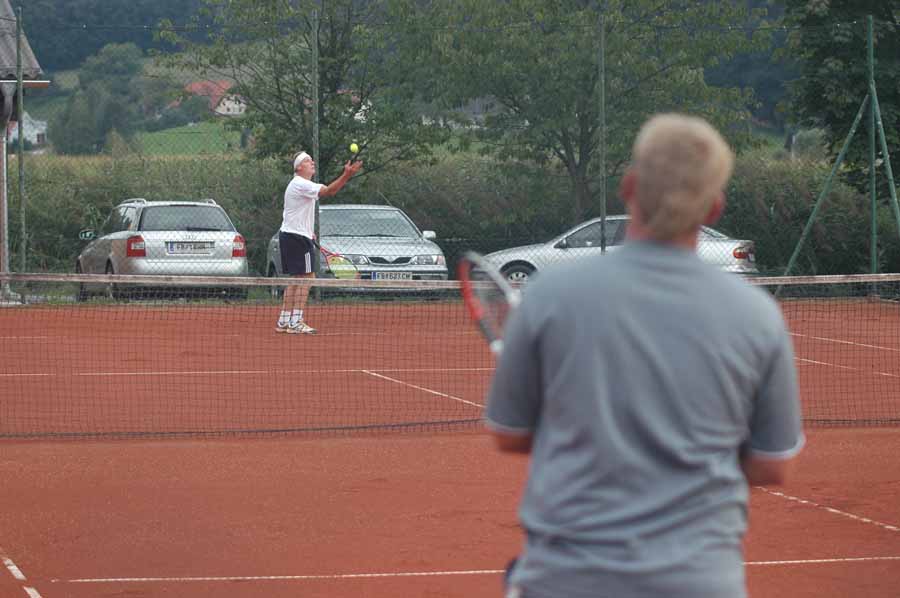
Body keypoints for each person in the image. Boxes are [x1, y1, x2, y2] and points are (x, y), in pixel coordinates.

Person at [485, 114, 804, 598]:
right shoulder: (757, 314)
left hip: (568, 579)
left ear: (629, 187)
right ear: (714, 208)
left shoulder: (550, 293)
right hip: (701, 582)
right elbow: (773, 464)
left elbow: (510, 433)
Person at [276, 151, 362, 334]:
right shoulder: (301, 184)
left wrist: (308, 232)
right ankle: (296, 321)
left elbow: (298, 213)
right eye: (308, 161)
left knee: (295, 278)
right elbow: (330, 191)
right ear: (299, 167)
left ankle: (284, 320)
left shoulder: (297, 185)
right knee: (308, 278)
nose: (312, 162)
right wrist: (347, 174)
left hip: (290, 235)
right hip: (297, 238)